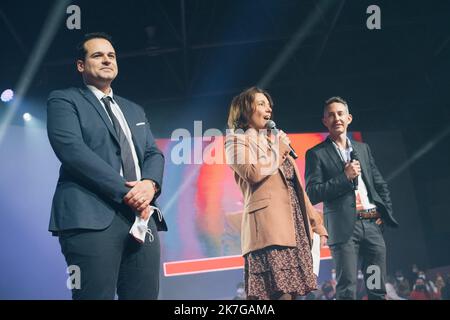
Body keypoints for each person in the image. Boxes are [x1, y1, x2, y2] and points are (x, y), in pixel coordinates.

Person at [47, 32, 167, 300]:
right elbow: (72, 151)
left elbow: (153, 153)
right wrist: (129, 192)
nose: (106, 60)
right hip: (91, 218)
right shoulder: (64, 100)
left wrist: (150, 184)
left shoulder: (134, 109)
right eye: (97, 55)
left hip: (141, 218)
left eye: (111, 55)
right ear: (81, 65)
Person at [225, 86, 328, 300]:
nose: (268, 108)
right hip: (268, 229)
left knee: (295, 294)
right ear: (245, 110)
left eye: (269, 104)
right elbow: (252, 173)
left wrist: (317, 224)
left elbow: (296, 190)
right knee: (279, 295)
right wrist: (278, 149)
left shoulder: (276, 144)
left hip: (295, 227)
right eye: (261, 103)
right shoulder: (236, 141)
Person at [305, 96, 399, 300]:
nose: (336, 118)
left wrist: (383, 212)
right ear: (324, 121)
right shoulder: (316, 154)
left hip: (372, 226)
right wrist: (344, 178)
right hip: (343, 230)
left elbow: (379, 184)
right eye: (330, 115)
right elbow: (312, 193)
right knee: (347, 287)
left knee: (376, 286)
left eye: (340, 114)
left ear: (349, 118)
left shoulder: (362, 149)